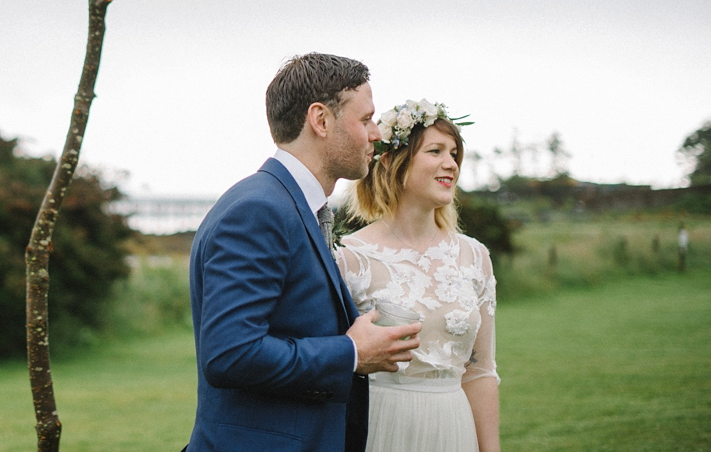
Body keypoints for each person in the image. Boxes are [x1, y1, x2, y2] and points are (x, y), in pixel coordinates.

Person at [187, 53, 422, 452]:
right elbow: (231, 354)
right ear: (321, 121)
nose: (377, 132)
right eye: (365, 119)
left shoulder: (293, 205)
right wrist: (351, 352)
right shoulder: (259, 210)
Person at [335, 100, 500, 452]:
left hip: (454, 428)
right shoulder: (350, 259)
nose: (450, 164)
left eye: (455, 154)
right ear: (396, 162)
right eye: (436, 151)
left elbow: (481, 371)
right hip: (380, 426)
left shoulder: (475, 257)